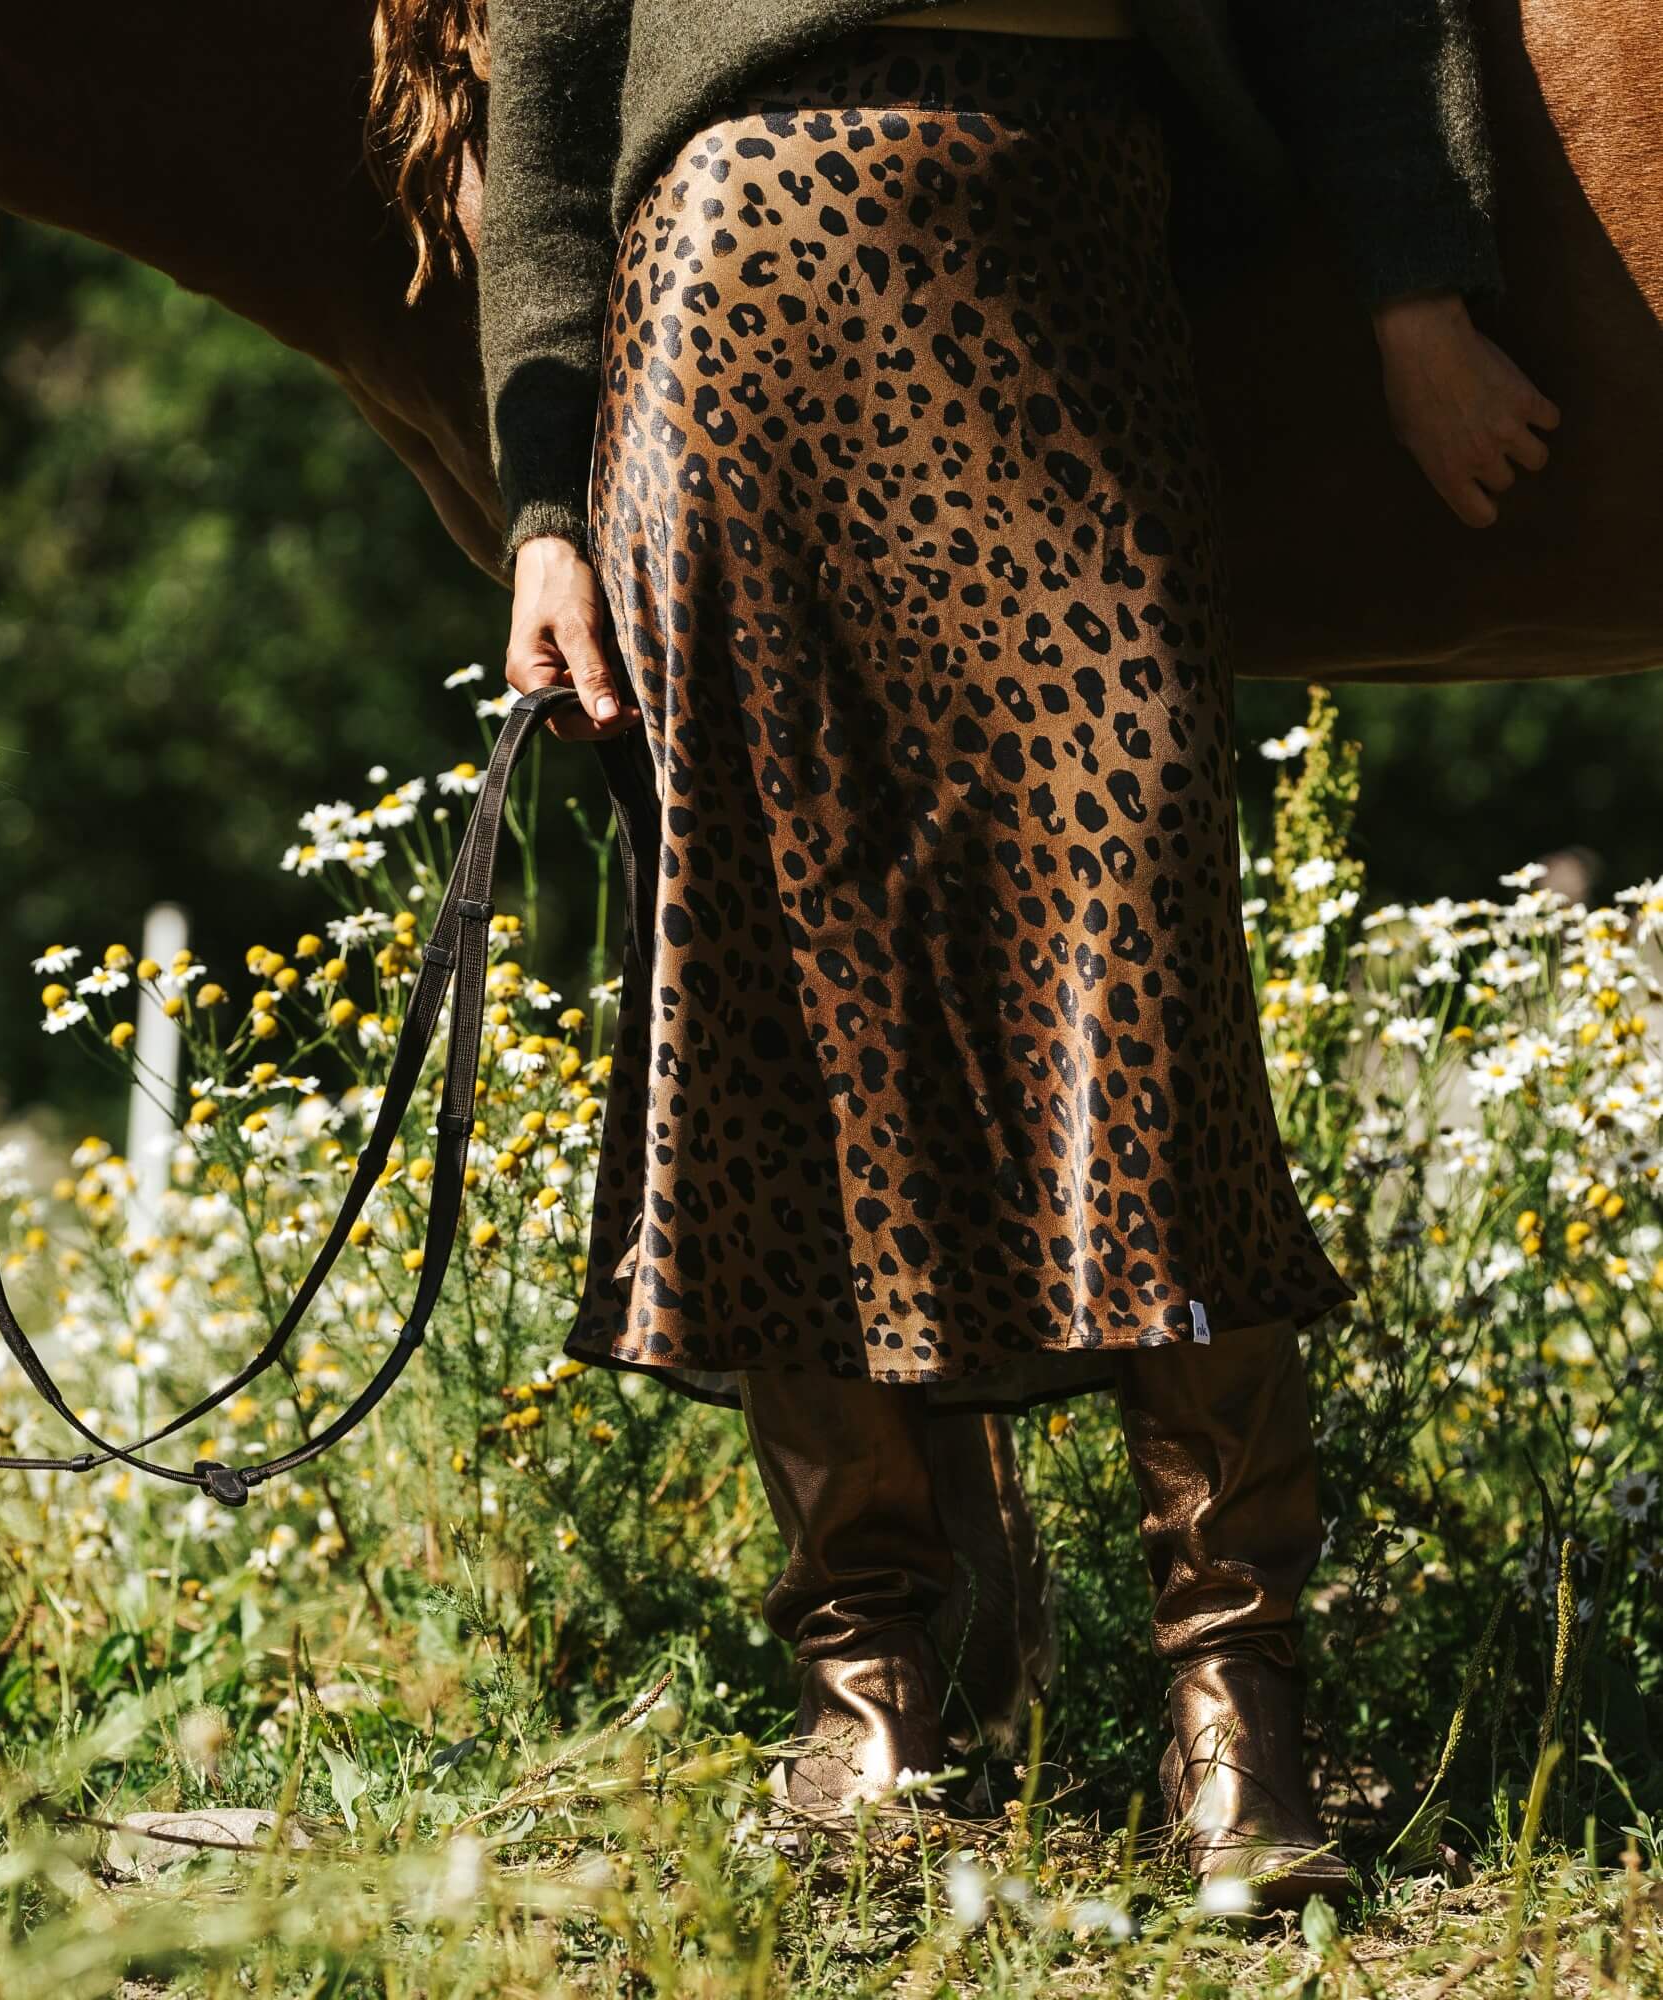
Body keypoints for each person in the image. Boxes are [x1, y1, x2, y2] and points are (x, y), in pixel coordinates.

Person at [370, 0, 1559, 1900]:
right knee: (779, 1016)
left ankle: (1239, 1724)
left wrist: (1421, 289)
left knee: (1146, 999)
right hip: (730, 331)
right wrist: (541, 510)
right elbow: (551, 120)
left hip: (1069, 287)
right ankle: (878, 1694)